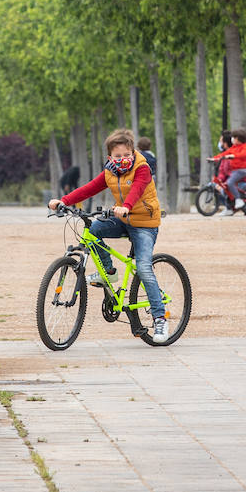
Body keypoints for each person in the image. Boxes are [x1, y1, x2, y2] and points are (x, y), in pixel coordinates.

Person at [46, 128, 171, 342]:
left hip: (144, 223)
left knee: (142, 266)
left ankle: (160, 317)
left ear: (133, 152)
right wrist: (64, 201)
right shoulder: (110, 172)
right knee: (94, 230)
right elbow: (88, 189)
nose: (122, 160)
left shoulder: (142, 168)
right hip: (123, 219)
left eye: (126, 155)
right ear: (109, 157)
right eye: (117, 156)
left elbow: (137, 190)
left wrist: (127, 206)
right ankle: (109, 271)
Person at [209, 129, 246, 214]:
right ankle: (229, 208)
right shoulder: (234, 148)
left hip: (242, 173)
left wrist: (233, 156)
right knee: (224, 187)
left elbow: (243, 154)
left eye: (234, 138)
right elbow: (225, 154)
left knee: (229, 183)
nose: (232, 139)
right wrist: (215, 158)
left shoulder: (245, 146)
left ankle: (238, 200)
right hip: (235, 172)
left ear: (238, 139)